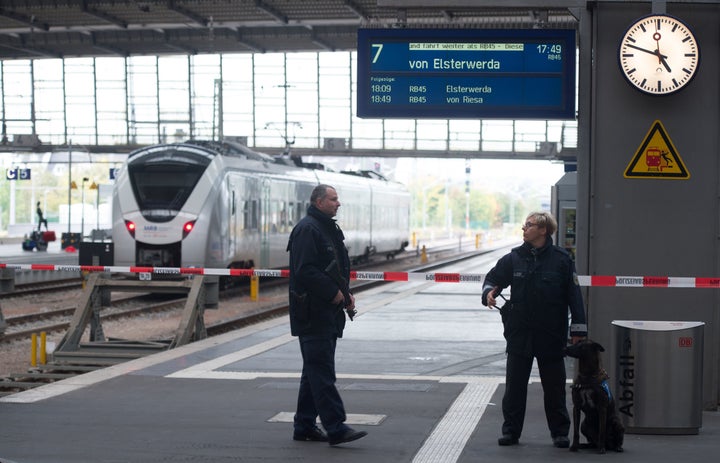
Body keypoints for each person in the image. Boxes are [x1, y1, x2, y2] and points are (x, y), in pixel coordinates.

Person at [481, 211, 587, 448]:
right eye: (524, 225)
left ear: (543, 230)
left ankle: (560, 433)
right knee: (514, 388)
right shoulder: (513, 258)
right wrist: (489, 292)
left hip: (551, 334)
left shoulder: (562, 260)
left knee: (554, 388)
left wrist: (578, 330)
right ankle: (510, 432)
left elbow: (574, 297)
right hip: (519, 333)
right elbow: (493, 279)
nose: (524, 229)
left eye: (529, 225)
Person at [286, 184, 367, 446]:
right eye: (333, 199)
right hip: (312, 312)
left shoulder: (325, 227)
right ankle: (336, 427)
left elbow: (336, 267)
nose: (338, 203)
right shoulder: (308, 229)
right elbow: (305, 270)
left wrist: (346, 292)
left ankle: (304, 425)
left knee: (313, 371)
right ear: (319, 202)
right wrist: (334, 293)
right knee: (321, 371)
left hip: (325, 311)